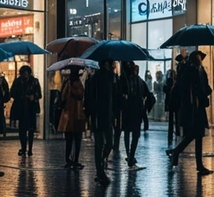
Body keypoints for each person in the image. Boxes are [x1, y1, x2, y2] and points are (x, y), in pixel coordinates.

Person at [167, 52, 213, 176]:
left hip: (199, 106)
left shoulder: (200, 70)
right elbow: (186, 87)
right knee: (194, 134)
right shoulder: (189, 70)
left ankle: (198, 163)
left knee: (198, 135)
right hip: (193, 107)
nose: (201, 60)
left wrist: (206, 91)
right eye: (199, 58)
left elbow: (204, 86)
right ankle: (176, 152)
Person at [85, 58, 118, 186]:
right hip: (99, 115)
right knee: (100, 143)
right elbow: (91, 97)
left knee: (108, 143)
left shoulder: (110, 77)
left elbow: (114, 96)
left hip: (105, 115)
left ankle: (101, 165)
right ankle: (99, 171)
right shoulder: (98, 78)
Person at [119, 61, 150, 167]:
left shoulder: (129, 80)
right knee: (133, 134)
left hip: (130, 110)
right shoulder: (136, 81)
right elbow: (147, 94)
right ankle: (131, 155)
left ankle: (130, 155)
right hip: (135, 110)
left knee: (130, 133)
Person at [58, 65, 87, 170]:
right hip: (77, 114)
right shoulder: (78, 84)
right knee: (77, 139)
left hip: (69, 114)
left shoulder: (68, 83)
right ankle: (75, 160)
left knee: (69, 139)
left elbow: (63, 96)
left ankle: (68, 159)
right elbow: (81, 95)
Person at [10, 65, 41, 158]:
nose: (25, 74)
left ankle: (30, 149)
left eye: (27, 72)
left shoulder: (34, 81)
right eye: (24, 72)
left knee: (31, 129)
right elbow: (12, 93)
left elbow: (39, 94)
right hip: (21, 108)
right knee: (22, 130)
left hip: (31, 108)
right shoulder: (18, 81)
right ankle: (23, 148)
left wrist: (33, 96)